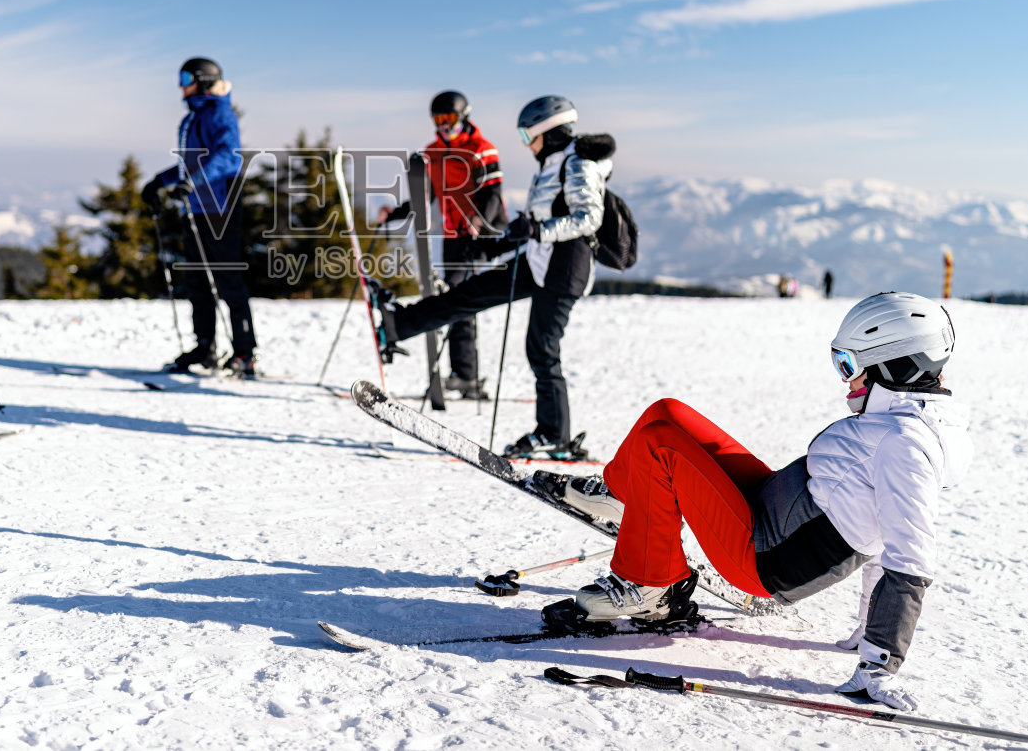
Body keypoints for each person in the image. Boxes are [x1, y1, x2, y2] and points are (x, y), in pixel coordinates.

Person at [530, 292, 969, 712]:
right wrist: (865, 620)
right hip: (771, 504)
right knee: (667, 412)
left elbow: (907, 556)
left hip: (762, 558)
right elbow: (880, 529)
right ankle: (624, 495)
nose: (844, 378)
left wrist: (879, 658)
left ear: (894, 367)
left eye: (849, 364)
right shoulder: (897, 422)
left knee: (662, 445)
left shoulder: (903, 445)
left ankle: (648, 585)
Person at [374, 95, 609, 459]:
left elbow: (589, 218)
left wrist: (535, 229)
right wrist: (514, 235)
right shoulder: (552, 162)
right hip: (540, 258)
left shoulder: (578, 163)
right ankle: (397, 324)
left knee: (542, 348)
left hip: (565, 267)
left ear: (547, 130)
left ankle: (555, 436)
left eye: (526, 134)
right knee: (468, 294)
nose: (525, 143)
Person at [377, 90, 508, 398]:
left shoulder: (482, 149)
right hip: (453, 236)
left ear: (464, 116)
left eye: (449, 118)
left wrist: (479, 222)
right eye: (438, 120)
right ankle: (464, 375)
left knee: (459, 297)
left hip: (480, 234)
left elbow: (493, 194)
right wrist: (393, 214)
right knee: (456, 297)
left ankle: (465, 374)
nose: (444, 125)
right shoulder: (432, 153)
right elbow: (425, 199)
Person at [141, 57, 257, 378]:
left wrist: (192, 182)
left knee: (227, 279)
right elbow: (189, 164)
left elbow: (228, 157)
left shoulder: (220, 113)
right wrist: (159, 182)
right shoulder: (193, 118)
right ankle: (205, 347)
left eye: (186, 78)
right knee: (197, 280)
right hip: (196, 207)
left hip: (220, 206)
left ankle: (245, 353)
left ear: (203, 80)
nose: (180, 85)